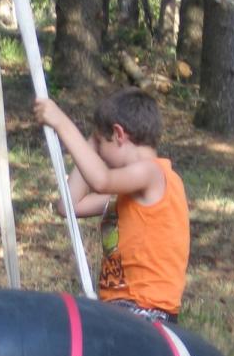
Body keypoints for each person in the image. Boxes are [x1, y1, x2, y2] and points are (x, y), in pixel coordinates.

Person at [33, 87, 189, 323]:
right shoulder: (127, 197)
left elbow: (101, 180)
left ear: (118, 134)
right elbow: (68, 206)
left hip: (146, 312)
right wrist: (93, 144)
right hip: (120, 308)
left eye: (100, 144)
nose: (99, 155)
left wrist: (62, 124)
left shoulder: (153, 173)